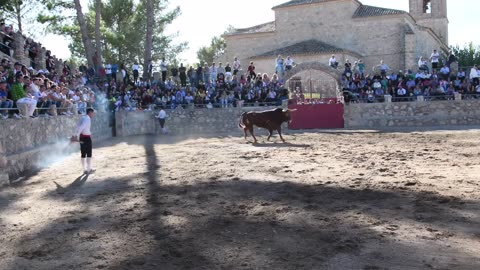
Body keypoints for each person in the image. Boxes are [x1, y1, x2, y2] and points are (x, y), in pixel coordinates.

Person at [71, 108, 95, 174]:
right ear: (90, 112)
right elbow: (82, 127)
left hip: (82, 138)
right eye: (93, 113)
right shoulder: (87, 118)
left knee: (83, 153)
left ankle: (84, 169)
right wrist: (76, 136)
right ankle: (89, 169)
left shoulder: (82, 118)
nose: (93, 114)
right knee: (89, 153)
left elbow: (77, 126)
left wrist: (74, 135)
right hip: (86, 138)